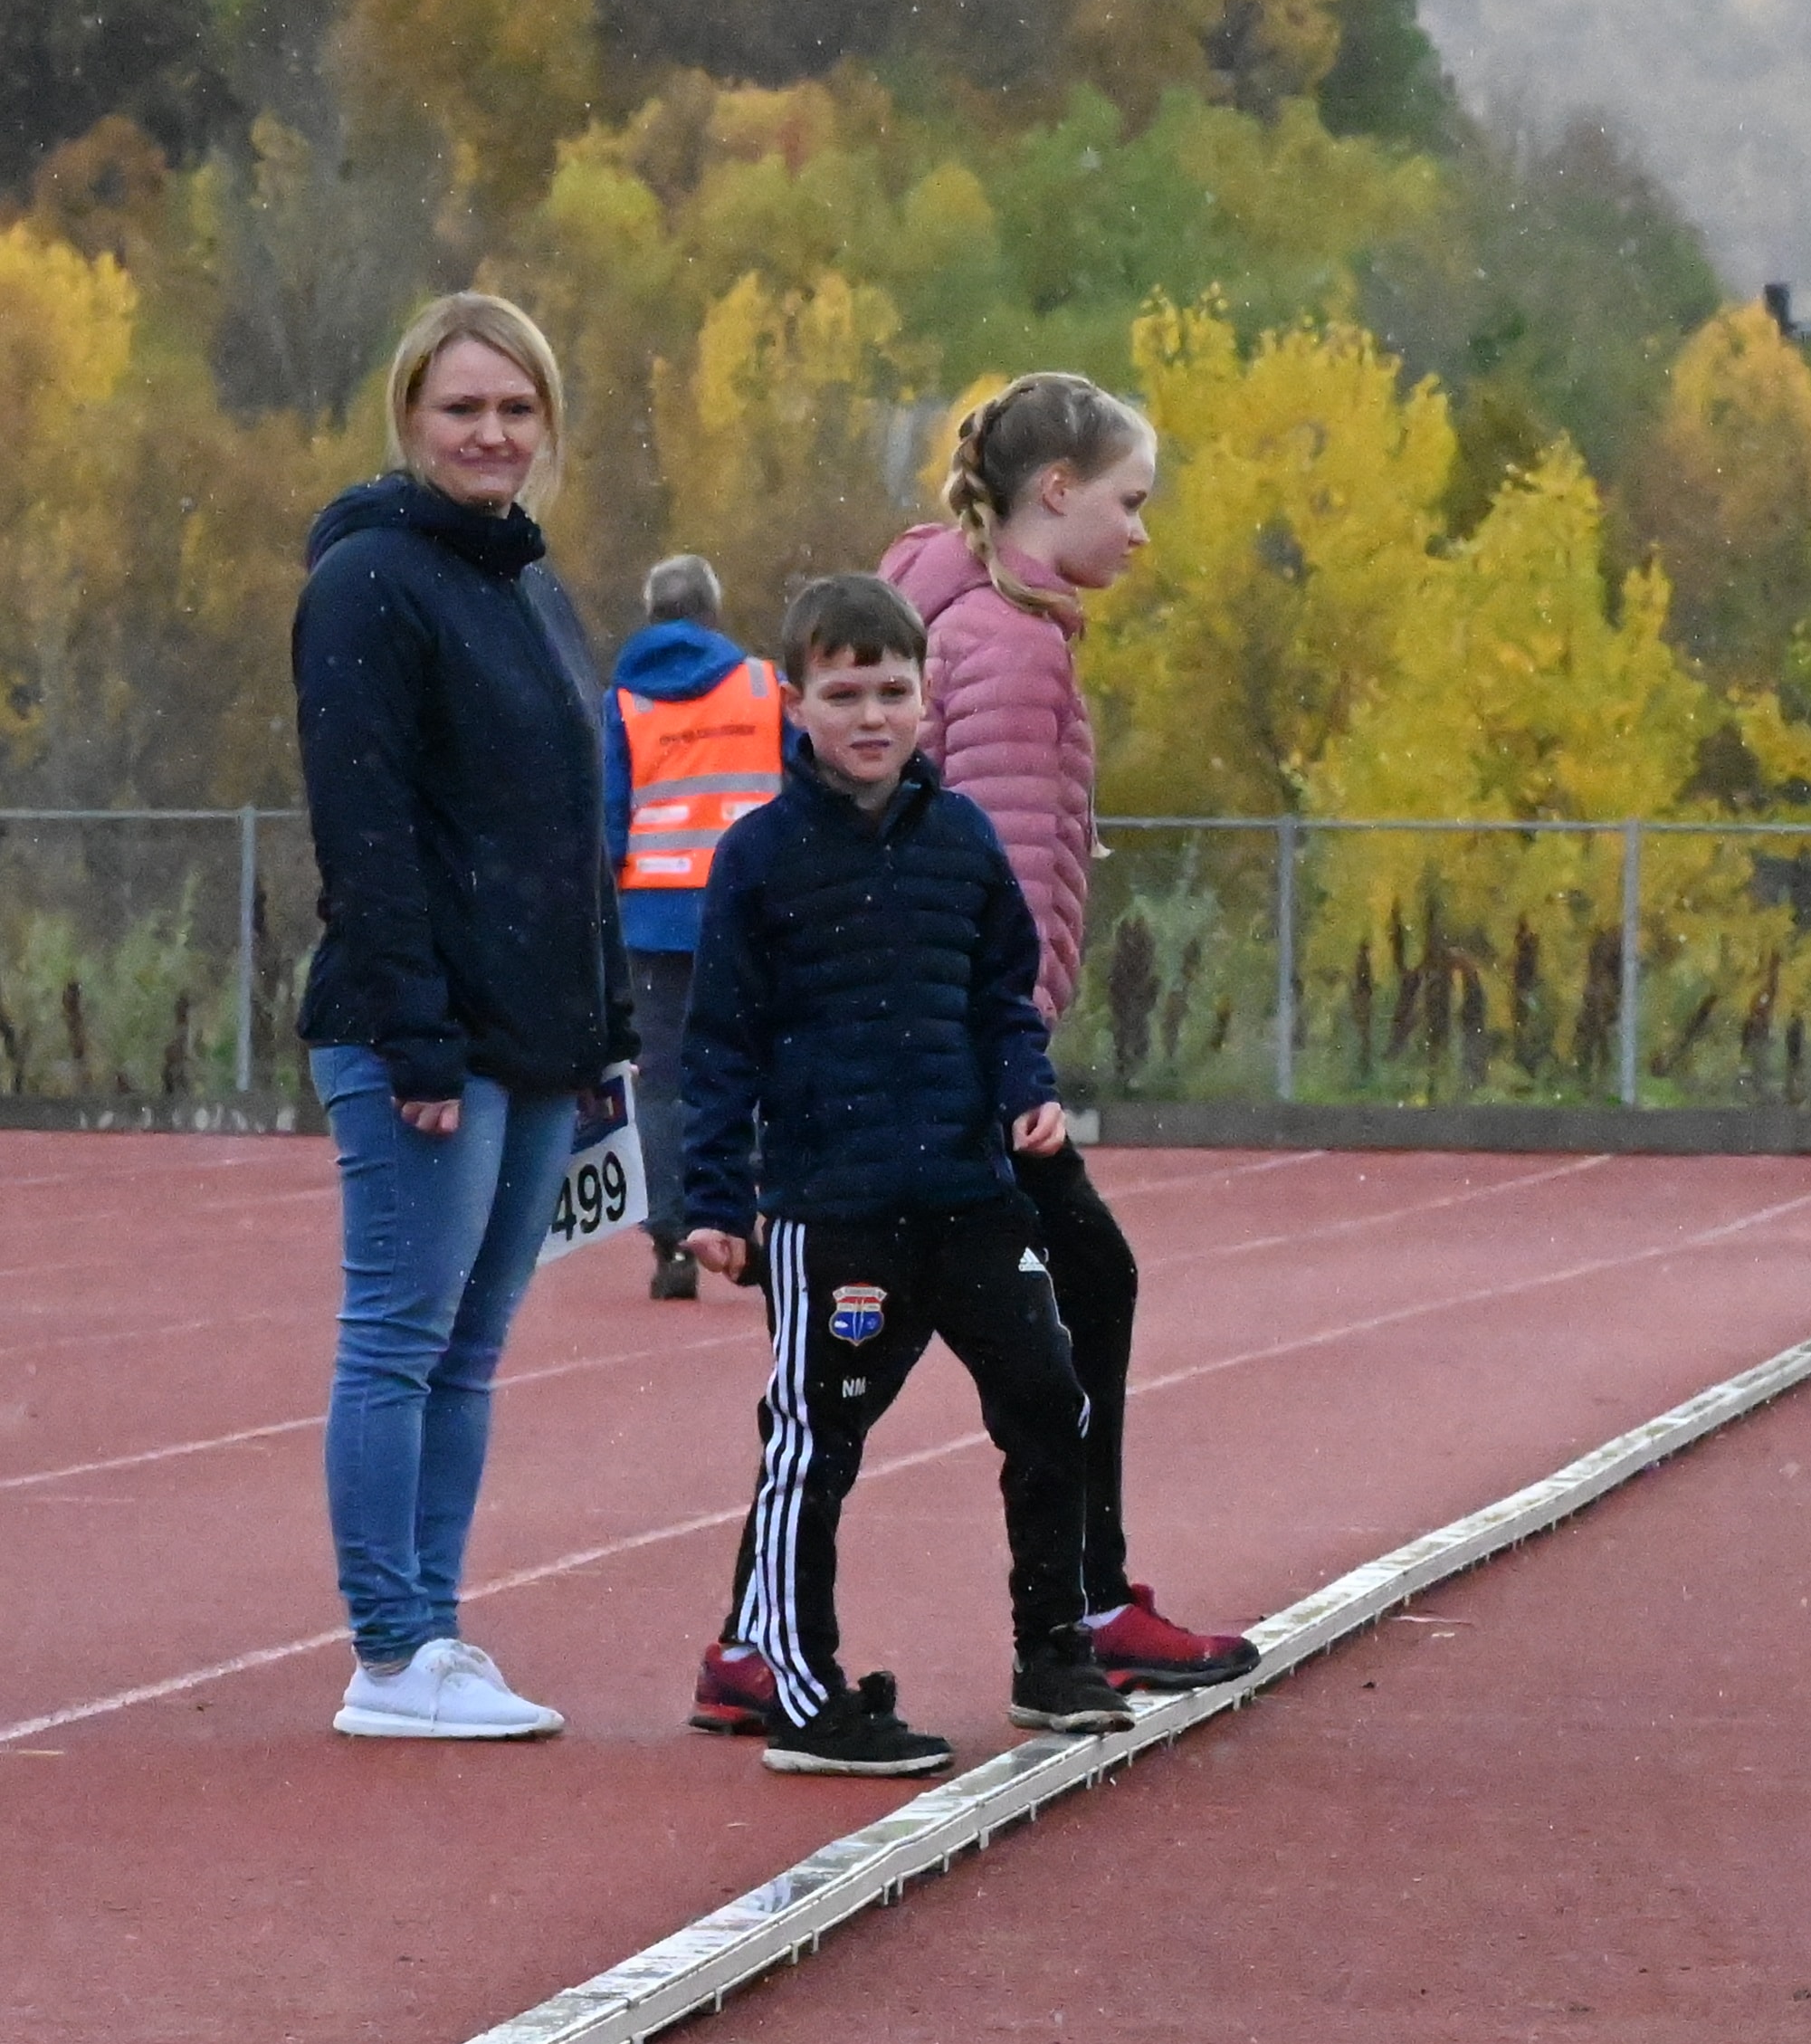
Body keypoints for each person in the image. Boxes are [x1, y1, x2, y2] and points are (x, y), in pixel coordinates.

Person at [681, 375, 1255, 1734]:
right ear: (1054, 493)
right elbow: (976, 869)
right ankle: (1054, 1608)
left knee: (957, 1359)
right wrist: (1010, 1067)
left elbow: (986, 870)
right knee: (920, 1361)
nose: (1142, 531)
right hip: (937, 1097)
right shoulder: (998, 646)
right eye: (1130, 501)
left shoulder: (999, 622)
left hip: (968, 1077)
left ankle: (797, 1634)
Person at [659, 575, 1125, 1781]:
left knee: (1047, 1397)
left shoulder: (962, 839)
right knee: (816, 1444)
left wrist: (1026, 1086)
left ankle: (1052, 1648)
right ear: (794, 702)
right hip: (836, 1212)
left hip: (969, 1196)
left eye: (893, 690)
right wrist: (711, 1199)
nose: (872, 715)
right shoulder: (759, 860)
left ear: (926, 698)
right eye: (845, 692)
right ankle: (806, 1695)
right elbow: (717, 1045)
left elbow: (1000, 995)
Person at [293, 292, 629, 1743]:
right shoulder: (372, 581)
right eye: (463, 409)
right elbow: (364, 828)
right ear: (410, 420)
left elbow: (573, 825)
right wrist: (418, 1037)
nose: (492, 433)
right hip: (423, 1035)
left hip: (539, 1037)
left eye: (517, 410)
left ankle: (435, 1626)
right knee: (399, 1336)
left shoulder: (528, 587)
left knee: (473, 1349)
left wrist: (606, 1029)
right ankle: (388, 1651)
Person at [609, 554, 776, 1302]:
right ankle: (762, 1215)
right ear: (713, 610)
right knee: (764, 1066)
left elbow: (608, 820)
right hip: (755, 910)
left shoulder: (622, 701)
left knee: (663, 1082)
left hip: (656, 917)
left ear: (652, 612)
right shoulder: (765, 687)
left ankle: (672, 1238)